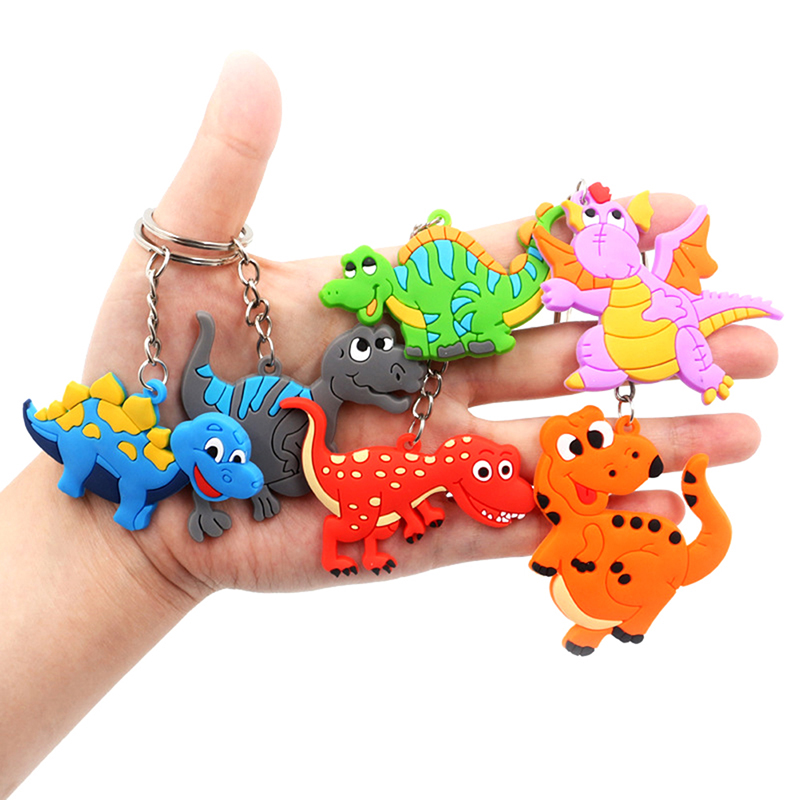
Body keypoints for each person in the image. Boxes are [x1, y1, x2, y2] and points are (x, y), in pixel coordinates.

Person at [0, 52, 778, 795]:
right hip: (272, 444)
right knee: (270, 460)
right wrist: (117, 539)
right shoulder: (300, 412)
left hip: (328, 444)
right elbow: (301, 454)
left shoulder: (400, 417)